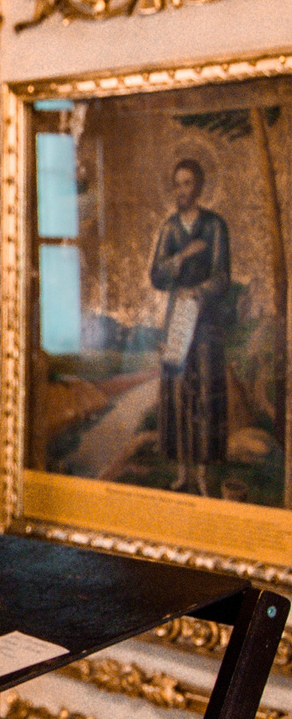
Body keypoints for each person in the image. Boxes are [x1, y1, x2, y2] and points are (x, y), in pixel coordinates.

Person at [150, 156, 232, 497]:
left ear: (199, 186)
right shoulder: (170, 228)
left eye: (189, 183)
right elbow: (156, 276)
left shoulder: (215, 226)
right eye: (178, 183)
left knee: (204, 395)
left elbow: (223, 277)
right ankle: (183, 472)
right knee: (180, 394)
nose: (183, 190)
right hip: (179, 319)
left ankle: (202, 474)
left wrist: (197, 291)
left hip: (206, 320)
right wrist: (182, 257)